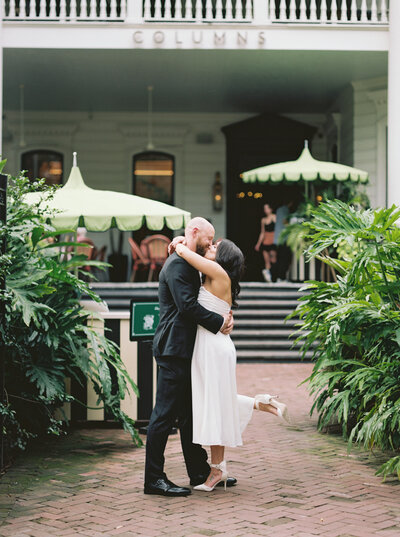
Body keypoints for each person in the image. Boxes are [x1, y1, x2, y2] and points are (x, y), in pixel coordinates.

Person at [174, 238, 289, 492]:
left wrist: (178, 244)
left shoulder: (217, 271)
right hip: (211, 346)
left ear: (223, 257)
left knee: (215, 403)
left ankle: (217, 471)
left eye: (216, 246)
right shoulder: (216, 276)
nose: (211, 247)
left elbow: (186, 254)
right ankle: (263, 403)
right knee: (215, 401)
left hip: (214, 348)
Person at [144, 217, 236, 497]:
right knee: (163, 415)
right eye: (209, 238)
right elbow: (186, 306)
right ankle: (154, 479)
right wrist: (219, 322)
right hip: (174, 348)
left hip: (185, 349)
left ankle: (199, 471)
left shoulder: (187, 259)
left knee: (187, 415)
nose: (211, 243)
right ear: (195, 231)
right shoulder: (178, 264)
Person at [254, 203, 277, 282]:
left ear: (271, 209)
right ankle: (268, 277)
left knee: (273, 259)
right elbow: (262, 233)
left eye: (267, 208)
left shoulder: (274, 217)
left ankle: (275, 276)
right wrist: (258, 244)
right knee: (266, 260)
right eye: (264, 209)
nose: (266, 210)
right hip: (266, 241)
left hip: (273, 240)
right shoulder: (263, 220)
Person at [272, 201, 293, 282]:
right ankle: (281, 277)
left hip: (278, 238)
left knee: (280, 258)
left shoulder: (279, 210)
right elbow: (285, 222)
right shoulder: (285, 210)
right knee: (284, 259)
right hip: (284, 239)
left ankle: (277, 276)